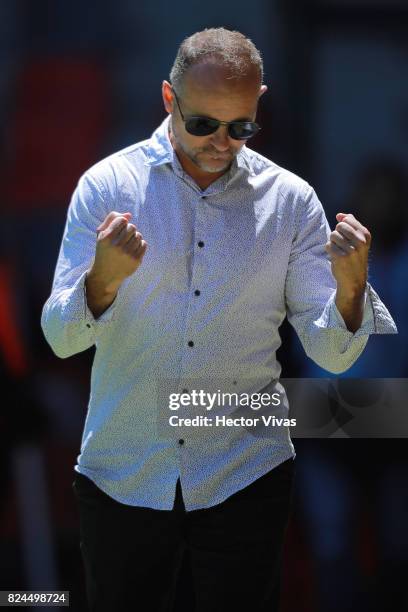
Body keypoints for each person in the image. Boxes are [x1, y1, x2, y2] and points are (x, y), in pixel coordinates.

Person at [41, 28, 397, 612]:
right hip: (124, 470)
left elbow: (332, 355)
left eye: (242, 126)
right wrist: (102, 279)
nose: (221, 142)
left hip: (245, 472)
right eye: (204, 124)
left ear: (260, 104)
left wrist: (353, 288)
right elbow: (58, 339)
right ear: (167, 100)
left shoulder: (291, 200)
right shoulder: (107, 186)